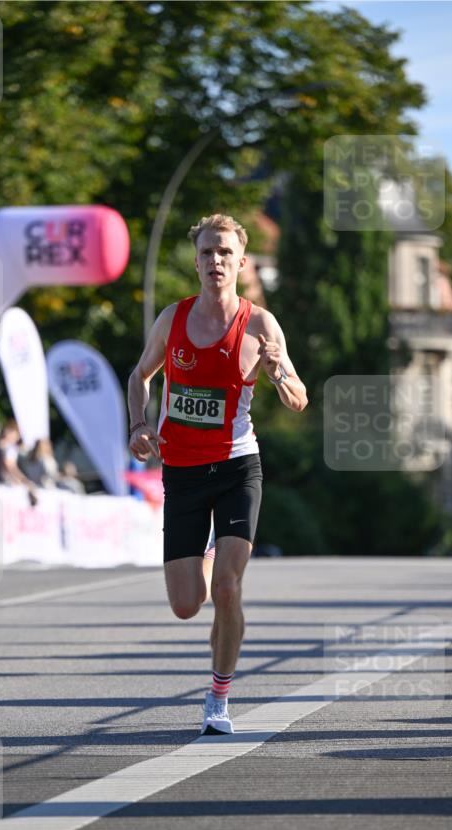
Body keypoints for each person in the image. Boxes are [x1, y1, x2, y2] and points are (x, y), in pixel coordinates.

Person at [127, 213, 308, 735]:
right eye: (207, 253)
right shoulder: (173, 318)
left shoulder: (260, 325)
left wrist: (277, 374)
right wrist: (139, 424)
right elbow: (140, 375)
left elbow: (299, 399)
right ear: (196, 261)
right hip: (182, 471)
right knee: (187, 606)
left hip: (236, 465)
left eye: (225, 253)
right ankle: (209, 553)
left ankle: (218, 697)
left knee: (228, 589)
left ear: (241, 262)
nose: (215, 262)